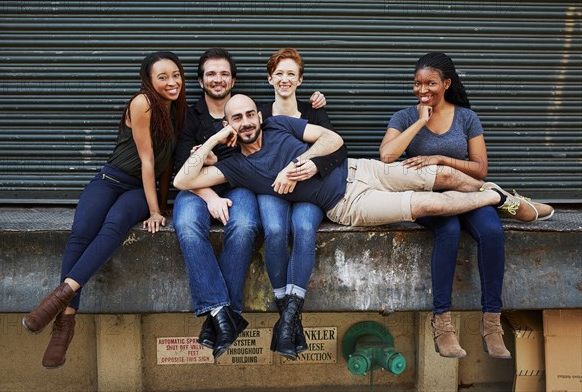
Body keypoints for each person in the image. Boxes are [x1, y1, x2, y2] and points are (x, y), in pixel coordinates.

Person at [173, 94, 546, 356]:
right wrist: (216, 138)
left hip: (359, 169)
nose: (248, 122)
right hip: (349, 204)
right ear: (230, 125)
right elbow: (183, 181)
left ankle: (505, 197)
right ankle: (496, 198)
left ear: (259, 114)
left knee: (442, 174)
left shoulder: (279, 125)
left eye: (250, 114)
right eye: (237, 119)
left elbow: (333, 139)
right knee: (428, 204)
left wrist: (308, 162)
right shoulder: (235, 165)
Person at [379, 52, 554, 360]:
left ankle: (491, 323)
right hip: (431, 198)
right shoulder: (405, 117)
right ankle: (443, 324)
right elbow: (387, 156)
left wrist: (442, 159)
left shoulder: (466, 118)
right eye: (417, 83)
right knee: (447, 231)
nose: (423, 90)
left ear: (446, 83)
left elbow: (480, 168)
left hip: (468, 194)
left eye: (430, 83)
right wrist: (421, 121)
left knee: (491, 231)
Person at [23, 51, 186, 368]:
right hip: (110, 179)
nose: (172, 81)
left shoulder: (180, 113)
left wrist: (158, 207)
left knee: (114, 225)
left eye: (176, 74)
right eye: (163, 76)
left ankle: (57, 300)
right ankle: (65, 322)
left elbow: (164, 167)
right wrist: (156, 210)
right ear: (149, 82)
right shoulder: (142, 103)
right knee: (81, 232)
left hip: (140, 191)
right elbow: (147, 159)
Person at [171, 48, 328, 359]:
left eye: (224, 73)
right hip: (199, 190)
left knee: (244, 225)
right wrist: (210, 195)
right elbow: (183, 170)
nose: (218, 79)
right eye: (211, 74)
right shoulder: (191, 116)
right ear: (201, 81)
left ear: (233, 79)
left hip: (240, 187)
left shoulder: (250, 111)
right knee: (188, 225)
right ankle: (221, 311)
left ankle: (221, 319)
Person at [259, 48, 347, 359]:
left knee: (304, 228)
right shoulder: (259, 115)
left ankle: (287, 321)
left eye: (290, 74)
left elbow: (337, 152)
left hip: (310, 193)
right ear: (270, 78)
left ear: (300, 79)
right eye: (279, 73)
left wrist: (312, 167)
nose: (285, 79)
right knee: (273, 230)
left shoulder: (314, 113)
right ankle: (290, 320)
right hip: (272, 190)